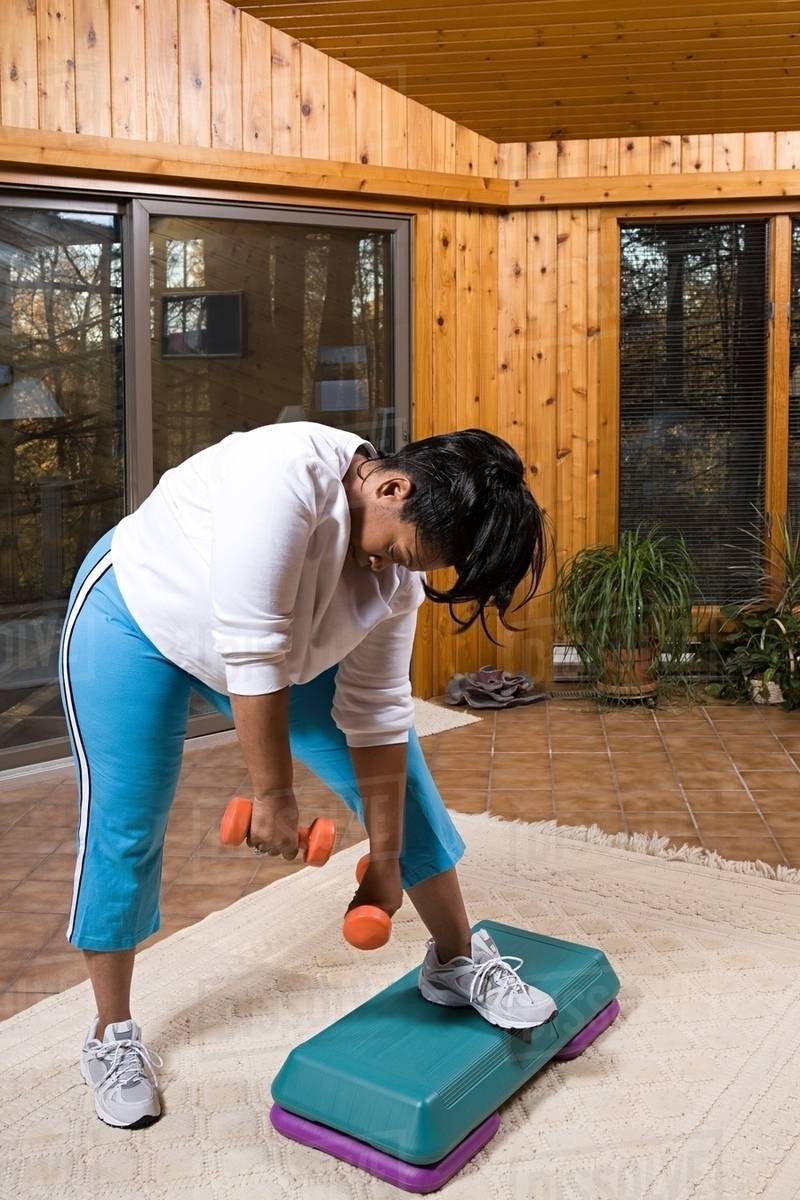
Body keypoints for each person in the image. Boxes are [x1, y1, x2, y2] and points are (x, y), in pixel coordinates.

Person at [58, 420, 556, 1131]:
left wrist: (385, 858)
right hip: (137, 617)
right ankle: (111, 1035)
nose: (390, 569)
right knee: (126, 821)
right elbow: (251, 653)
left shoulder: (399, 577)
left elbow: (376, 714)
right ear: (392, 487)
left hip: (272, 645)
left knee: (404, 791)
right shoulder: (281, 478)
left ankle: (453, 962)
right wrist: (273, 796)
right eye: (397, 551)